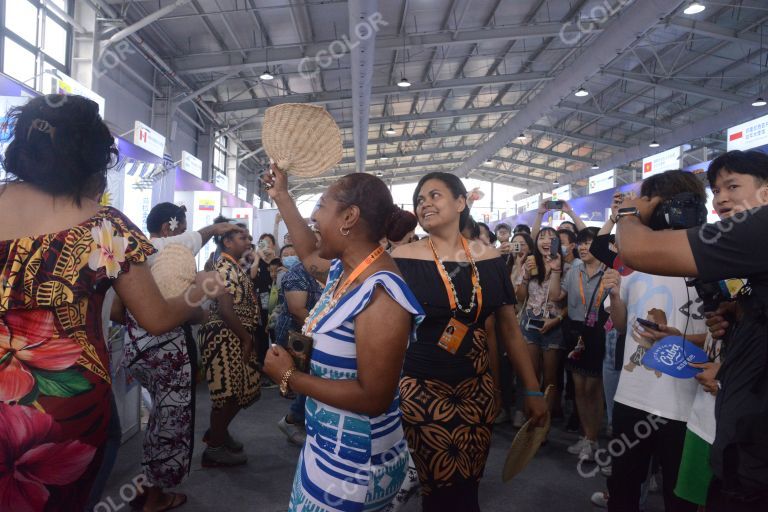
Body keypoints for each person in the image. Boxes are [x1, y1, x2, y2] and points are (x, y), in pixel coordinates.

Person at [0, 94, 221, 511]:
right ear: (90, 156)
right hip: (63, 408)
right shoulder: (103, 226)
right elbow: (155, 318)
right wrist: (198, 294)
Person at [261, 165, 425, 512]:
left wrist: (291, 377)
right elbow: (308, 254)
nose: (313, 216)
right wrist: (281, 196)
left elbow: (373, 396)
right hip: (328, 448)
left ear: (349, 216)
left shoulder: (381, 294)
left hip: (354, 468)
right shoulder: (347, 271)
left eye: (320, 206)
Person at [615, 151, 768, 512]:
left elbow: (636, 248)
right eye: (716, 190)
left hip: (743, 438)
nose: (722, 199)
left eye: (733, 186)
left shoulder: (759, 228)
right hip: (740, 436)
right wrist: (739, 320)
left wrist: (629, 212)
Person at [391, 172, 548, 512]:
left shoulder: (489, 258)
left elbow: (509, 330)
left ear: (461, 202)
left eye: (434, 195)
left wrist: (532, 390)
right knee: (438, 488)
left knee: (468, 486)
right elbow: (388, 332)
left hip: (476, 390)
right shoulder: (403, 257)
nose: (424, 203)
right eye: (419, 199)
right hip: (422, 390)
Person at [119, 203, 239, 511]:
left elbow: (118, 311)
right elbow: (193, 313)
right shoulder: (161, 249)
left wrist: (141, 321)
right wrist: (199, 295)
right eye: (182, 226)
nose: (185, 233)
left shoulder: (132, 257)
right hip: (168, 350)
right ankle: (156, 496)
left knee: (158, 420)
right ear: (169, 228)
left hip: (137, 347)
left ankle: (145, 483)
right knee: (172, 424)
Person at [603, 170, 709, 512]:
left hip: (686, 403)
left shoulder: (712, 261)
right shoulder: (635, 260)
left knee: (679, 497)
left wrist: (678, 340)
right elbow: (621, 326)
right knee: (623, 487)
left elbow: (724, 336)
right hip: (632, 396)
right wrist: (616, 297)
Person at [200, 218, 262, 467]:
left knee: (243, 389)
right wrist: (247, 338)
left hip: (234, 335)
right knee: (229, 394)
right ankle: (214, 448)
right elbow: (226, 309)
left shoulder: (232, 265)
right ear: (226, 241)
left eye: (248, 238)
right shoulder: (223, 267)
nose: (248, 241)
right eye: (243, 238)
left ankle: (218, 432)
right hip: (226, 336)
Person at [561, 227, 614, 462]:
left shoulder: (610, 271)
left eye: (588, 243)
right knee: (579, 389)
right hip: (574, 333)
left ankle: (592, 438)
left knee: (593, 390)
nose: (583, 247)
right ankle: (586, 436)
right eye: (580, 243)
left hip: (598, 334)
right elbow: (557, 296)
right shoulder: (574, 270)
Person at [273, 254, 324, 446]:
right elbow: (297, 310)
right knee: (306, 377)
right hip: (298, 335)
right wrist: (327, 331)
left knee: (314, 377)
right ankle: (293, 420)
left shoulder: (332, 271)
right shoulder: (297, 273)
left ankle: (299, 419)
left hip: (316, 333)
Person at [517, 227, 567, 419]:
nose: (546, 241)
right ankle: (531, 419)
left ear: (557, 243)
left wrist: (555, 269)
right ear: (536, 242)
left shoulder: (566, 267)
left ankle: (543, 424)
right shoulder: (531, 263)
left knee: (551, 378)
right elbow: (521, 297)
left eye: (551, 238)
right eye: (542, 237)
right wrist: (526, 276)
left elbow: (558, 298)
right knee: (532, 375)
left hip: (553, 325)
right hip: (530, 323)